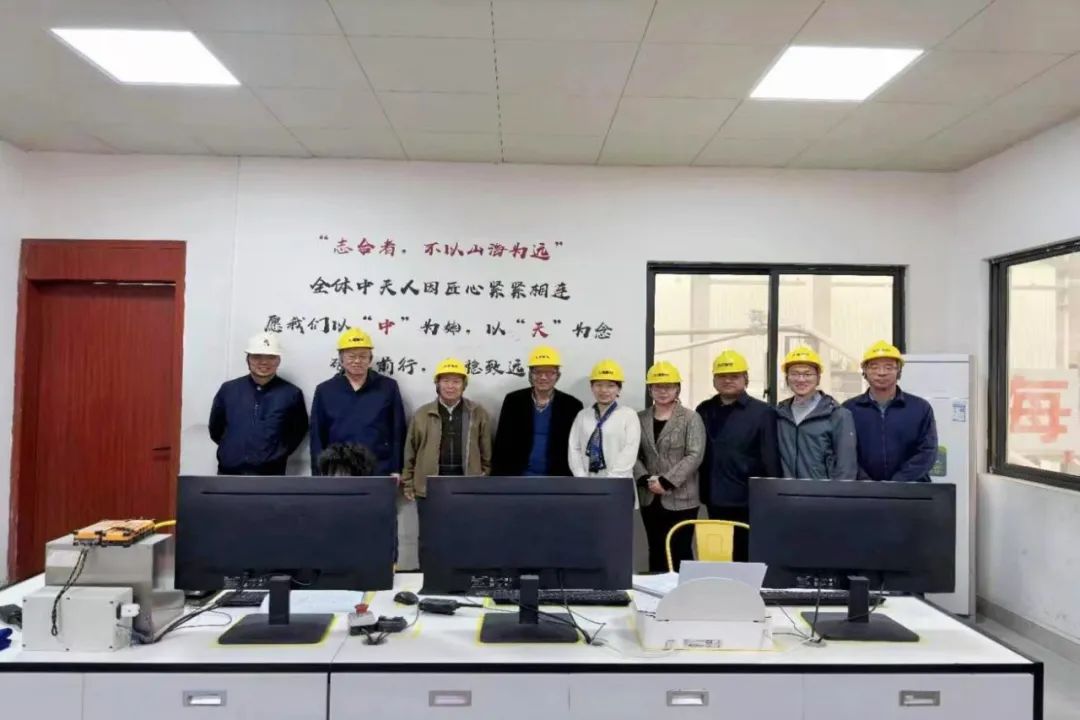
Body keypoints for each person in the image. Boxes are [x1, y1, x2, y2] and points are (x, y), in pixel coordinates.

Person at [695, 350, 781, 562]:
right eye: (722, 376)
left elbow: (770, 458)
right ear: (714, 380)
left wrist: (771, 495)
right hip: (713, 496)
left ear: (746, 379)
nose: (728, 380)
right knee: (717, 556)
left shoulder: (763, 412)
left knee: (744, 555)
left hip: (747, 498)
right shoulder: (704, 409)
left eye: (734, 376)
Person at [633, 361, 705, 572]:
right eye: (657, 386)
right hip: (649, 496)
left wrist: (666, 482)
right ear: (650, 389)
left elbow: (695, 454)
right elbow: (632, 453)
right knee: (656, 549)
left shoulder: (691, 418)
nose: (663, 391)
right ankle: (656, 592)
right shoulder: (639, 418)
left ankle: (683, 592)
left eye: (668, 386)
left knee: (680, 550)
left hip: (682, 497)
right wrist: (645, 479)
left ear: (677, 389)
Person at [309, 327, 407, 477]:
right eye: (351, 356)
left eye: (363, 356)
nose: (357, 361)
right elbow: (317, 435)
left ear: (370, 359)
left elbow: (398, 430)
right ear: (341, 359)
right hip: (338, 469)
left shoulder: (388, 387)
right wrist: (318, 472)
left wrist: (397, 468)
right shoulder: (325, 390)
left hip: (379, 467)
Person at [208, 332, 308, 475]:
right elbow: (216, 429)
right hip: (229, 473)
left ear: (278, 360)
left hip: (271, 475)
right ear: (247, 359)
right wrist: (232, 451)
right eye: (257, 357)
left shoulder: (291, 394)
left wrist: (277, 454)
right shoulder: (228, 390)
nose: (264, 362)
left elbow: (298, 431)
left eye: (271, 357)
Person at [842, 340, 938, 482]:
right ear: (864, 371)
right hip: (864, 489)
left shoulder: (920, 408)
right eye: (874, 367)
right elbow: (844, 452)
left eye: (889, 367)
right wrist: (866, 482)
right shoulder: (849, 409)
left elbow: (928, 451)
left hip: (911, 488)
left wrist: (898, 482)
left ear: (899, 371)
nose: (881, 373)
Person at [401, 358, 493, 504]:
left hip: (467, 484)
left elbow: (486, 450)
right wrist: (408, 482)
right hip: (430, 485)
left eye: (456, 381)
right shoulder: (422, 414)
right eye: (445, 381)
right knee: (432, 519)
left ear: (464, 385)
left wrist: (484, 475)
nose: (450, 386)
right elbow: (410, 451)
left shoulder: (477, 413)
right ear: (437, 384)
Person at [491, 345, 583, 476]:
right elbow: (502, 443)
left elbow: (576, 448)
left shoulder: (571, 405)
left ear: (558, 375)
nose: (543, 377)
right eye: (538, 372)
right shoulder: (514, 401)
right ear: (530, 374)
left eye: (549, 372)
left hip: (557, 477)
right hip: (518, 476)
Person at [775, 345, 858, 480]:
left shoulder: (837, 414)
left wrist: (839, 492)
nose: (801, 379)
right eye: (794, 374)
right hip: (786, 490)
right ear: (787, 378)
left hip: (822, 491)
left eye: (808, 374)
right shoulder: (780, 414)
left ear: (818, 378)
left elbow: (846, 467)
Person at [568, 360, 641, 483]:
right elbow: (574, 448)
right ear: (592, 387)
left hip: (618, 482)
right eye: (599, 385)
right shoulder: (582, 415)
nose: (604, 390)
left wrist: (611, 480)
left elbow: (630, 450)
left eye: (610, 385)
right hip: (587, 482)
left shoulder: (629, 415)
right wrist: (581, 476)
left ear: (619, 389)